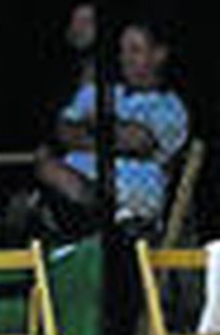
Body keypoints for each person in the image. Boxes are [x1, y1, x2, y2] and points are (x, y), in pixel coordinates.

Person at [35, 20, 188, 234]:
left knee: (51, 172)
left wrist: (89, 126)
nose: (126, 59)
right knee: (44, 166)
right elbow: (64, 132)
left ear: (159, 54)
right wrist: (111, 132)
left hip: (131, 205)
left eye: (135, 50)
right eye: (122, 51)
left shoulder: (169, 107)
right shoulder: (100, 92)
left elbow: (138, 141)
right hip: (71, 195)